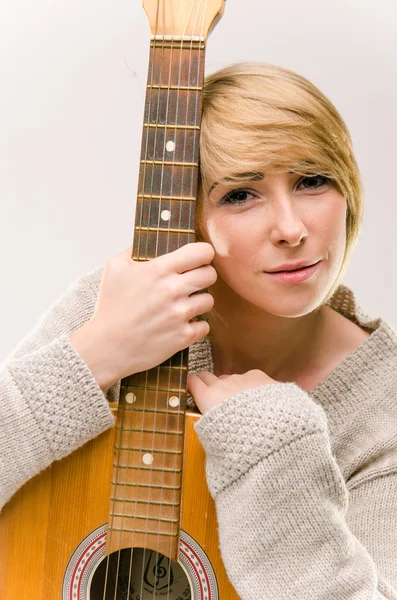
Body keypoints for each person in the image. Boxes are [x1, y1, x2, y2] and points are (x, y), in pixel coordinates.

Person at [0, 62, 396, 599]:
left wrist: (275, 445)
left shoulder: (384, 410)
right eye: (239, 194)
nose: (291, 229)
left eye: (312, 181)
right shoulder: (127, 305)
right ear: (191, 216)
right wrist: (94, 354)